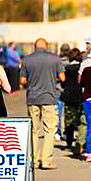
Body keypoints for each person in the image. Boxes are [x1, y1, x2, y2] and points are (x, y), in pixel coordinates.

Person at [20, 38, 66, 169]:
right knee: (49, 130)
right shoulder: (55, 59)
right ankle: (46, 160)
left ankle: (33, 161)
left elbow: (22, 81)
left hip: (32, 98)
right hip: (49, 97)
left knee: (34, 130)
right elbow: (62, 78)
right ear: (46, 46)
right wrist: (52, 78)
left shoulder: (26, 60)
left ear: (35, 47)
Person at [60, 48, 83, 151]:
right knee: (80, 119)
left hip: (68, 95)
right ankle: (80, 140)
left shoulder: (66, 69)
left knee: (68, 119)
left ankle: (69, 141)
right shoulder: (82, 68)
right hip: (79, 95)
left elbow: (63, 82)